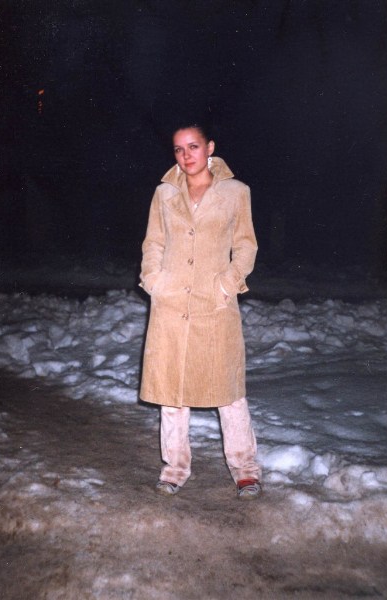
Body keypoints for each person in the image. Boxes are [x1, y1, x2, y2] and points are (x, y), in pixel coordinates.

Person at [139, 123, 261, 499]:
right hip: (171, 305)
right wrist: (154, 282)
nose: (186, 155)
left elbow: (246, 246)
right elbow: (153, 243)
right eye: (179, 149)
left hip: (215, 305)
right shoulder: (164, 193)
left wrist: (227, 284)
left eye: (193, 146)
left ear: (210, 147)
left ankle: (246, 470)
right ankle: (174, 469)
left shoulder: (236, 192)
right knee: (172, 392)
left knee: (228, 390)